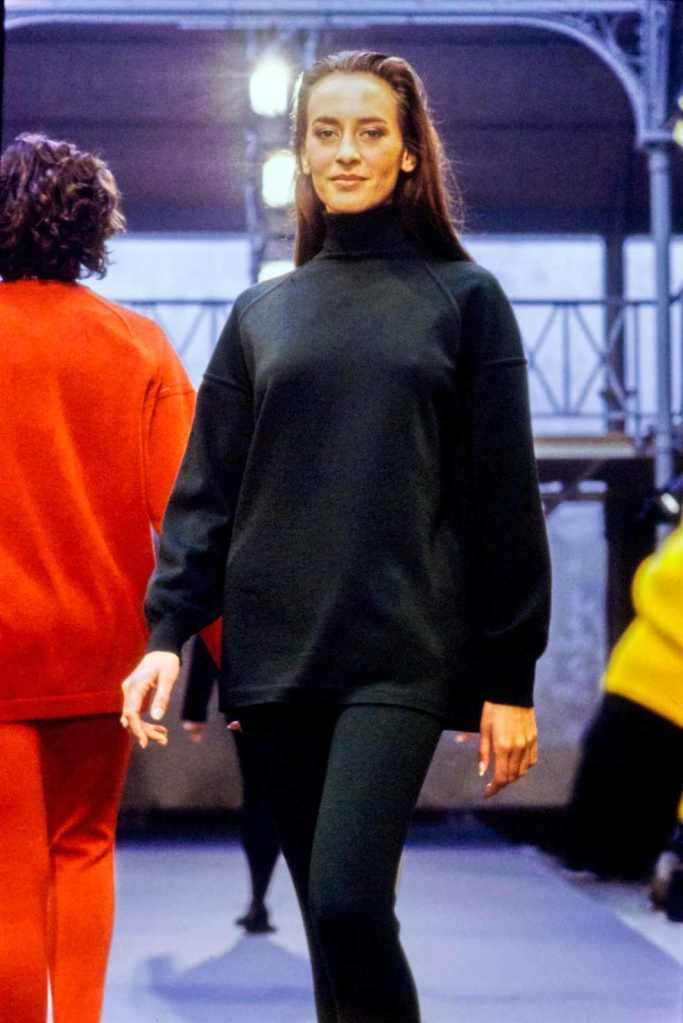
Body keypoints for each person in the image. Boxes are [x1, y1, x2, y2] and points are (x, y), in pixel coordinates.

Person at [121, 51, 551, 1023]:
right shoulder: (260, 313)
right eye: (326, 133)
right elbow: (205, 495)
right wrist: (165, 634)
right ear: (302, 155)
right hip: (275, 660)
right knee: (330, 923)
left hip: (400, 651)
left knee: (352, 901)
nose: (346, 151)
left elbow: (502, 499)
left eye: (369, 132)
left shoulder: (464, 299)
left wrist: (510, 678)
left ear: (409, 153)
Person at [0, 133, 195, 1023]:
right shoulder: (140, 345)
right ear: (93, 229)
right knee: (85, 847)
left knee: (9, 865)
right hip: (104, 650)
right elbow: (190, 517)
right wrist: (237, 657)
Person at [564, 522, 683, 887]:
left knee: (607, 854)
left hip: (646, 691)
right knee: (600, 849)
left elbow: (660, 579)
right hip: (641, 689)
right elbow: (664, 578)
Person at [182, 636, 281, 933]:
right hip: (309, 691)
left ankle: (258, 899)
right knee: (285, 797)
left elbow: (213, 624)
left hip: (251, 693)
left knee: (260, 795)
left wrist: (195, 705)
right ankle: (264, 900)